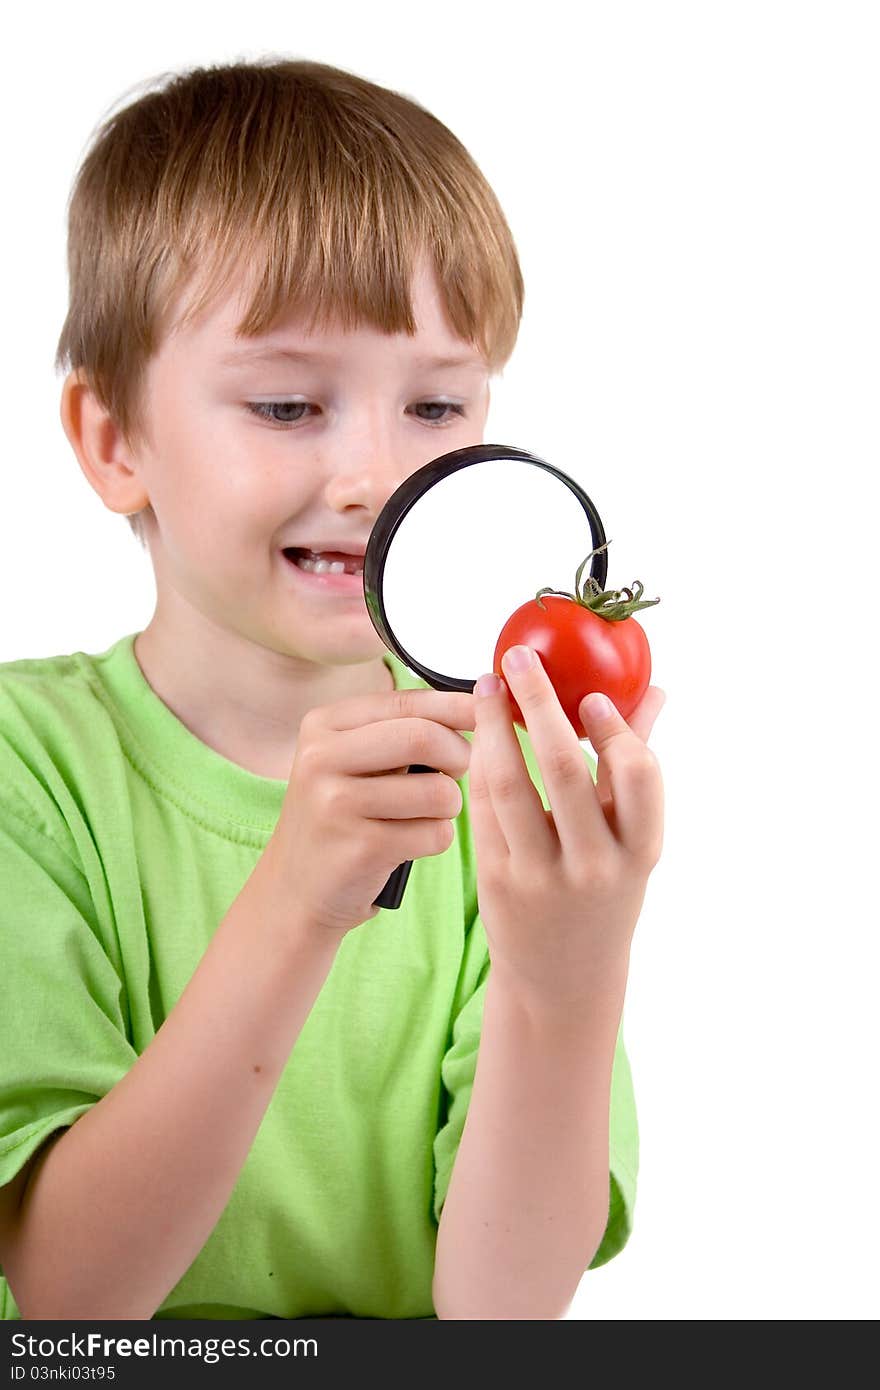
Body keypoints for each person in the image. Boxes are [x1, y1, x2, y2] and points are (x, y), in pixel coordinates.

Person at [0, 58, 664, 1321]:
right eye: (290, 403)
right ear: (112, 441)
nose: (374, 473)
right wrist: (300, 897)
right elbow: (70, 1304)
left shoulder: (506, 788)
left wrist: (566, 980)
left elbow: (500, 1312)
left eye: (435, 403)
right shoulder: (23, 769)